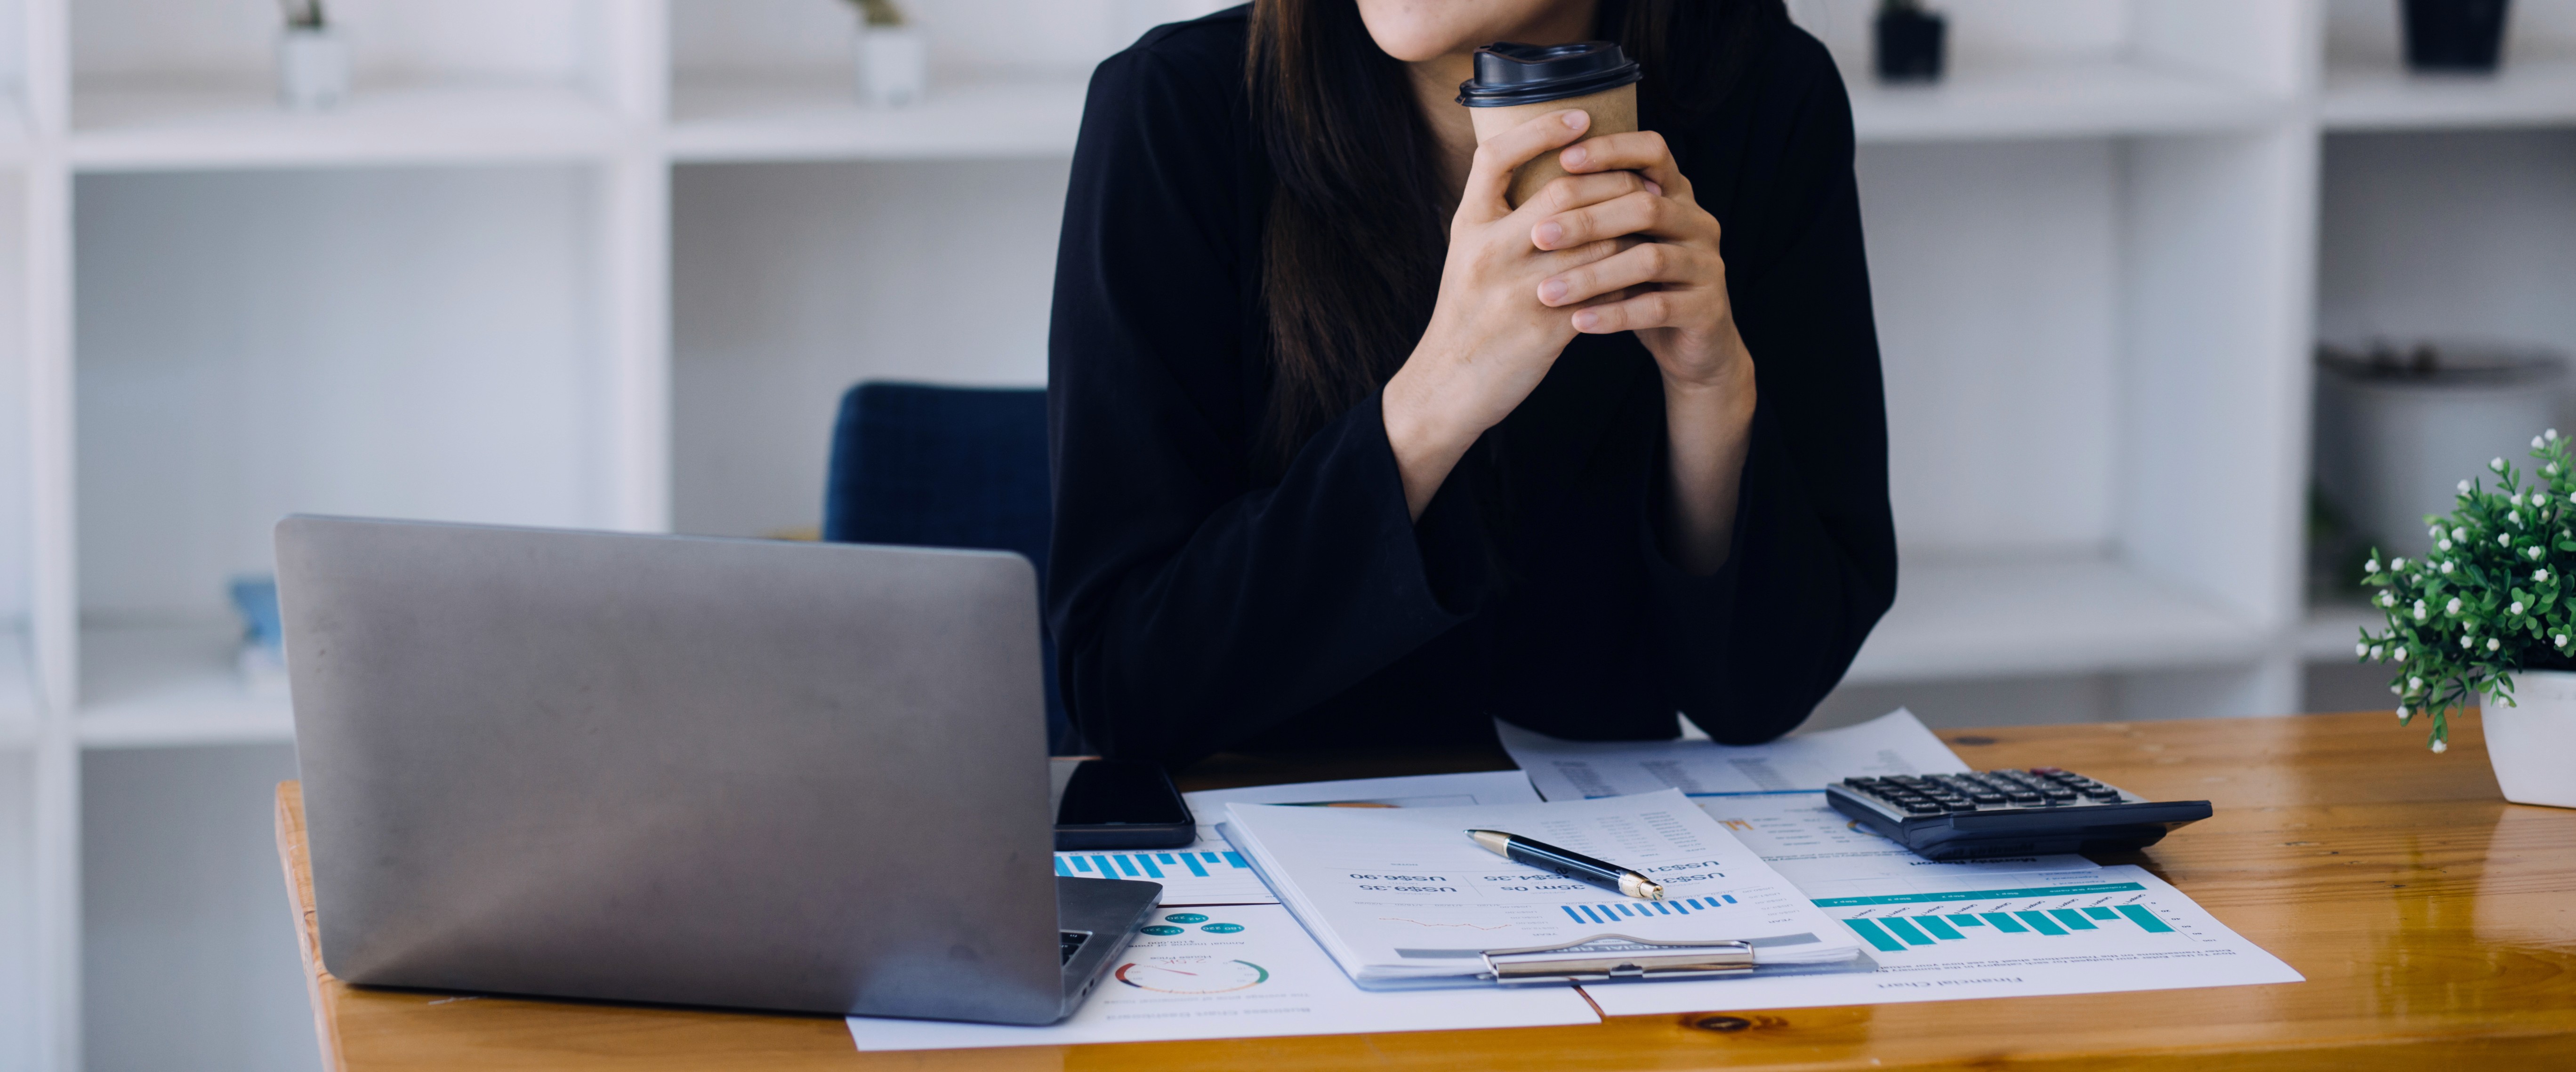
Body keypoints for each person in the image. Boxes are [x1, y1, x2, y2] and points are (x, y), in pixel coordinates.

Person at [1046, 0, 1894, 766]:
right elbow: (1121, 690)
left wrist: (1712, 388)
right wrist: (1435, 400)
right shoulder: (1174, 107)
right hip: (1256, 864)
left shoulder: (1767, 94)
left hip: (1615, 871)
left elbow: (1765, 691)